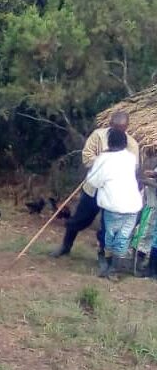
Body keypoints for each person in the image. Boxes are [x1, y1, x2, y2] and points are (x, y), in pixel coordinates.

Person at [51, 111, 139, 260]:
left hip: (114, 193)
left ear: (127, 127)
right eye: (116, 127)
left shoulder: (131, 144)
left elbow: (133, 167)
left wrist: (113, 164)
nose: (118, 131)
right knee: (80, 219)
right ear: (110, 125)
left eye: (122, 128)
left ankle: (103, 257)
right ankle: (66, 246)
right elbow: (87, 158)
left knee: (107, 227)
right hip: (93, 188)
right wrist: (103, 160)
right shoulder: (98, 136)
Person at [85, 129, 142, 279]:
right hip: (133, 207)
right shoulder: (130, 158)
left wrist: (101, 159)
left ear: (109, 142)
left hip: (113, 207)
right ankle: (113, 270)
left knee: (110, 237)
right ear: (125, 143)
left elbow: (93, 181)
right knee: (123, 238)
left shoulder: (104, 159)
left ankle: (109, 267)